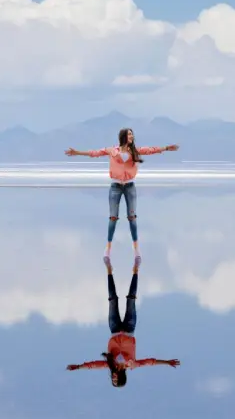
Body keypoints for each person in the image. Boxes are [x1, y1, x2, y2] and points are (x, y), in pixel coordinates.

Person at [65, 256, 180, 387]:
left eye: (112, 380)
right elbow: (150, 362)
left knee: (112, 299)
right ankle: (136, 270)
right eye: (115, 380)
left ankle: (109, 270)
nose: (113, 378)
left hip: (114, 329)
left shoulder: (110, 364)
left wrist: (79, 367)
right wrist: (167, 362)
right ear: (121, 377)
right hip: (129, 329)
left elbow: (94, 365)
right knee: (131, 299)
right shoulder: (132, 364)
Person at [65, 128, 179, 259]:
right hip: (115, 187)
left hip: (130, 186)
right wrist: (77, 152)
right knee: (113, 218)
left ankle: (136, 249)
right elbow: (94, 153)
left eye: (132, 134)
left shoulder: (135, 151)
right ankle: (108, 248)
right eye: (129, 134)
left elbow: (151, 150)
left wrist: (165, 148)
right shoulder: (112, 150)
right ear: (124, 136)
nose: (132, 136)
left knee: (132, 218)